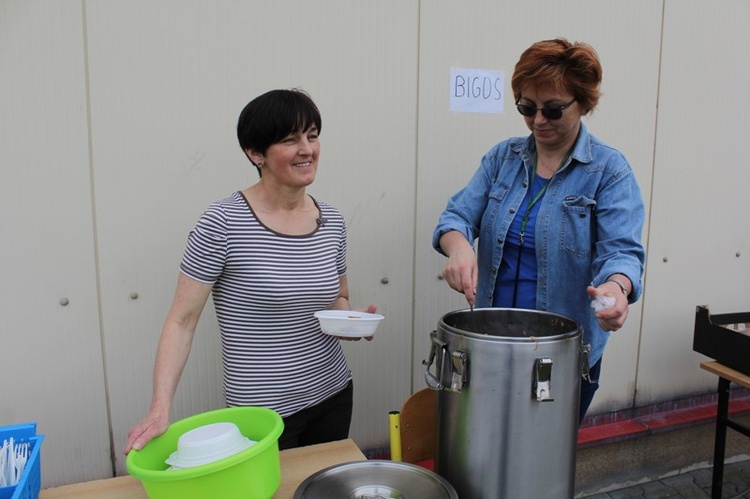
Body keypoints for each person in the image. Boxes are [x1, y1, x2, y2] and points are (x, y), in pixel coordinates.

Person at [125, 88, 376, 453]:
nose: (307, 149)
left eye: (313, 135)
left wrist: (351, 322)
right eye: (290, 140)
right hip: (263, 413)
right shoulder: (223, 222)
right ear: (255, 153)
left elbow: (337, 297)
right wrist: (160, 408)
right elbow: (182, 320)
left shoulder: (332, 221)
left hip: (332, 392)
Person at [433, 39, 646, 423]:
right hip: (492, 344)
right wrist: (460, 247)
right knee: (483, 455)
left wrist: (616, 289)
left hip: (560, 356)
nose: (538, 121)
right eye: (527, 108)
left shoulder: (609, 172)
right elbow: (456, 218)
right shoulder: (503, 158)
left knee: (542, 468)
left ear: (583, 102)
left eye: (552, 109)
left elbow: (622, 253)